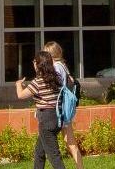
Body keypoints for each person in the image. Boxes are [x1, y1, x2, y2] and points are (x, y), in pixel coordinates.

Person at [17, 51, 67, 169]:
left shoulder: (38, 81)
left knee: (54, 156)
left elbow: (21, 95)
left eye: (34, 61)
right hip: (57, 118)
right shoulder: (56, 78)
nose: (33, 63)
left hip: (46, 120)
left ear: (38, 64)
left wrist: (18, 84)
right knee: (39, 152)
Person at [43, 40, 85, 169]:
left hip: (60, 108)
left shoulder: (56, 67)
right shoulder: (63, 65)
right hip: (66, 107)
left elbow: (56, 87)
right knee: (69, 141)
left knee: (68, 142)